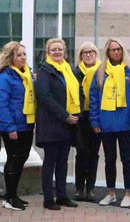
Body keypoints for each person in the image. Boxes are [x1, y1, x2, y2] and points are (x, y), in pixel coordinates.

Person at [89, 38, 130, 208]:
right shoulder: (100, 72)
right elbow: (93, 98)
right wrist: (94, 119)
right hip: (106, 123)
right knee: (109, 159)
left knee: (127, 158)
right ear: (107, 52)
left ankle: (128, 193)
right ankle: (111, 193)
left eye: (119, 49)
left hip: (127, 122)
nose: (116, 52)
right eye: (113, 50)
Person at [35, 38, 81, 210]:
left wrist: (75, 115)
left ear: (65, 52)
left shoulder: (67, 69)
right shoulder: (44, 71)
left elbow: (75, 92)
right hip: (51, 123)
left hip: (66, 124)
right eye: (53, 50)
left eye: (60, 49)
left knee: (63, 161)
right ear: (47, 52)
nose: (57, 52)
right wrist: (65, 115)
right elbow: (45, 97)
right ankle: (48, 198)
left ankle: (62, 195)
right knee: (50, 161)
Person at [0, 41, 36, 211]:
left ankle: (13, 194)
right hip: (13, 127)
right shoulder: (5, 77)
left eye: (24, 54)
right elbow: (2, 104)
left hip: (27, 125)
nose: (23, 57)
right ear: (10, 57)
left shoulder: (27, 74)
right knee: (14, 160)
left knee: (21, 158)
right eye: (19, 54)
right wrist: (9, 127)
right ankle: (9, 197)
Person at [72, 42, 101, 201]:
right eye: (85, 53)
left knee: (94, 153)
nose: (88, 55)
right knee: (81, 152)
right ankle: (78, 188)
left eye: (91, 52)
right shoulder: (76, 72)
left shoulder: (102, 71)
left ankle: (90, 188)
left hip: (96, 116)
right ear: (80, 56)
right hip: (81, 116)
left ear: (96, 54)